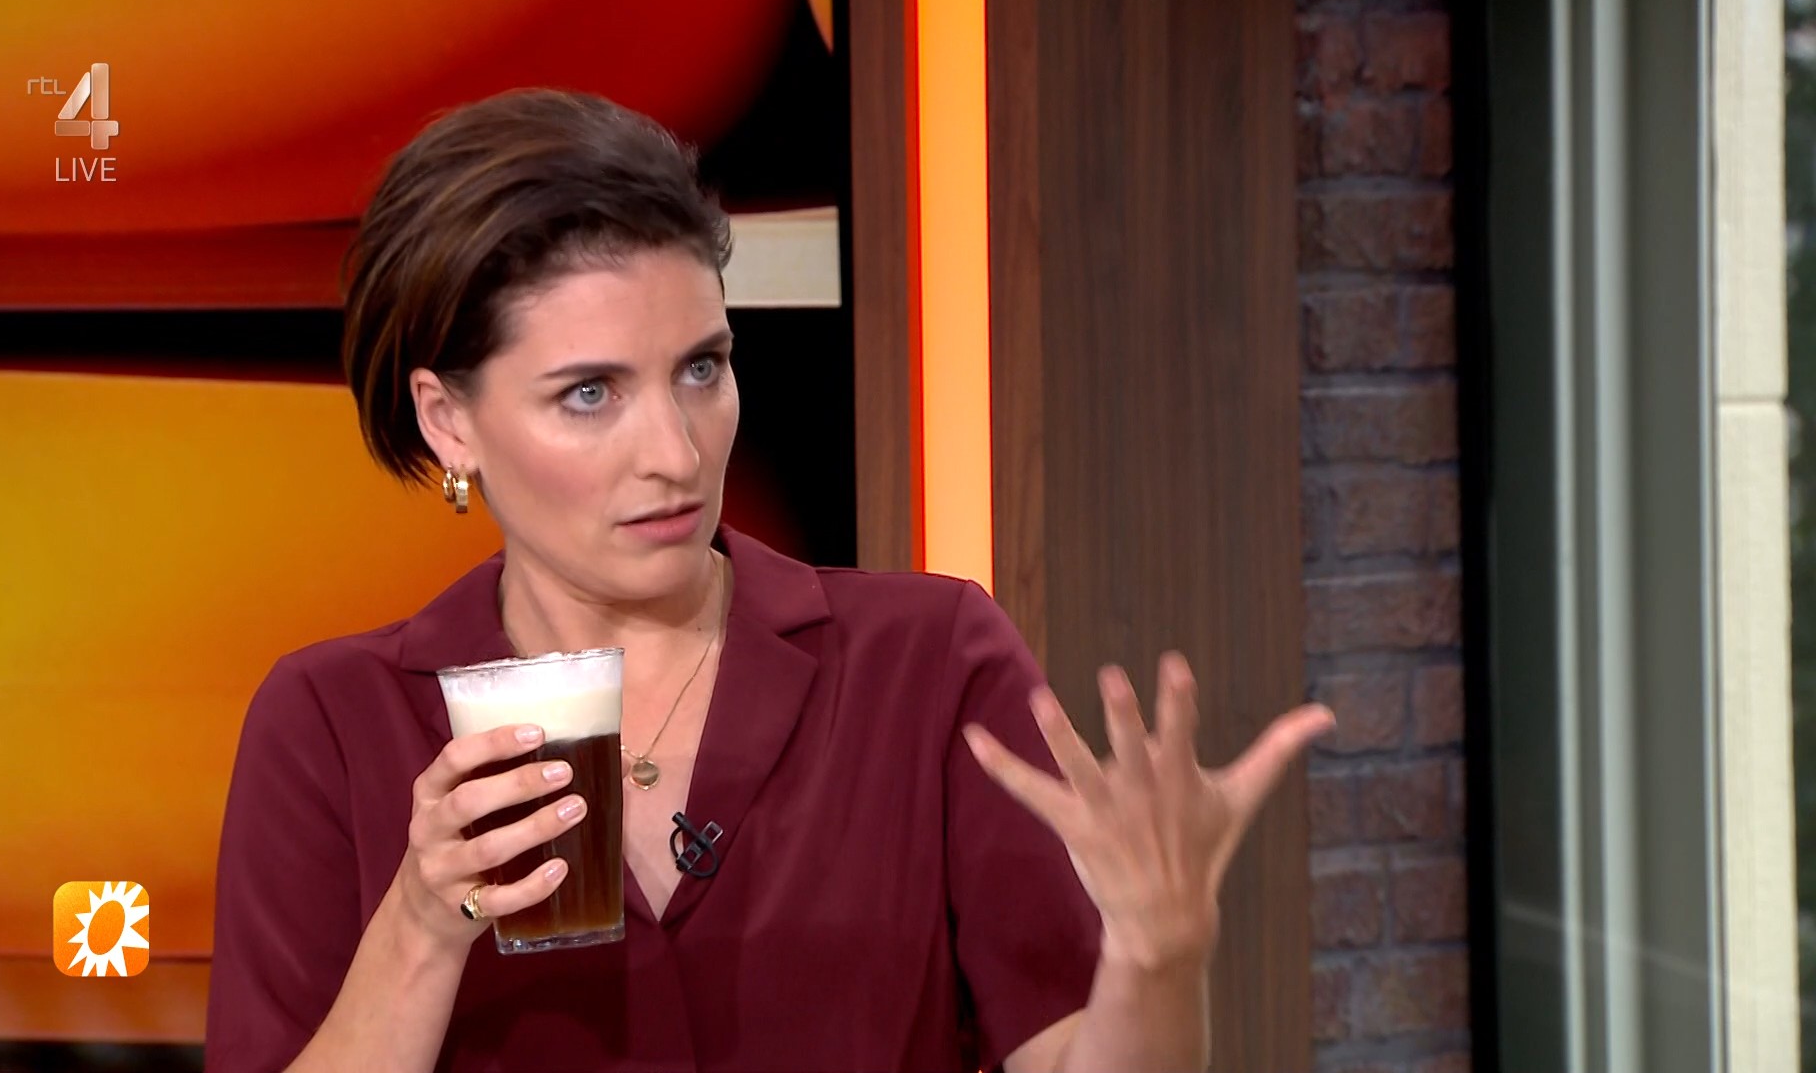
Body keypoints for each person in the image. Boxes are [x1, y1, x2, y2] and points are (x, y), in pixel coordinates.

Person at [204, 88, 1333, 1073]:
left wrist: (1159, 952)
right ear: (448, 420)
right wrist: (420, 924)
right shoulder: (331, 724)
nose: (676, 451)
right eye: (590, 394)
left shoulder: (926, 661)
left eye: (702, 368)